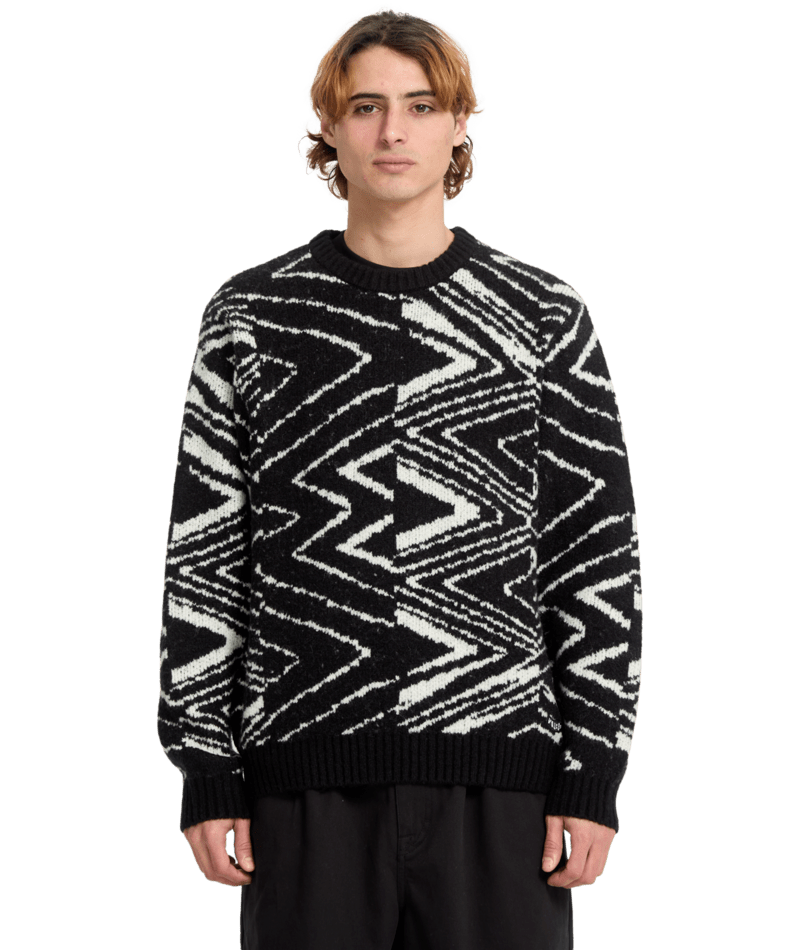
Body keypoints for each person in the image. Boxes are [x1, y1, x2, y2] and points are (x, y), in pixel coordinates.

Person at [156, 6, 644, 949]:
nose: (392, 131)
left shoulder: (542, 313)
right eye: (366, 106)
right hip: (300, 782)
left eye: (421, 106)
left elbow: (594, 554)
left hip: (503, 787)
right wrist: (206, 766)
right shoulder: (251, 314)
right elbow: (206, 553)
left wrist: (593, 771)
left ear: (460, 124)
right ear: (329, 128)